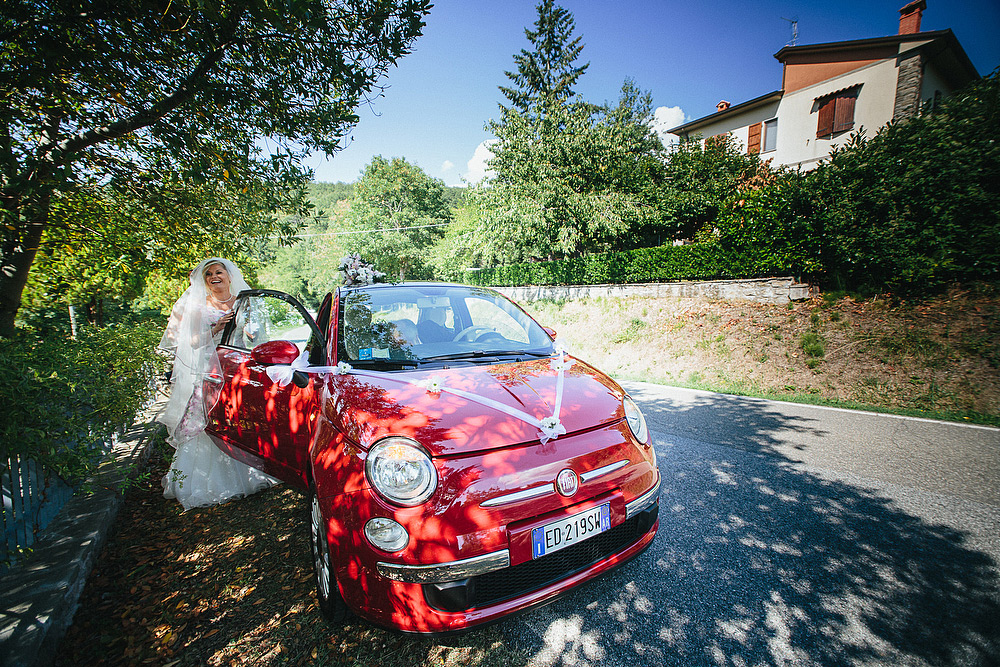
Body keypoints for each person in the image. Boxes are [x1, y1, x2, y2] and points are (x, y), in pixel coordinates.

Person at [158, 257, 278, 510]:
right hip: (208, 371)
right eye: (209, 274)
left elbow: (257, 336)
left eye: (219, 272)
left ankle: (250, 472)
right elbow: (190, 342)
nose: (214, 276)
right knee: (206, 421)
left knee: (240, 418)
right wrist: (215, 328)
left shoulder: (244, 301)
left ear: (229, 275)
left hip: (238, 368)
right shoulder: (198, 306)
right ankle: (204, 483)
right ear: (204, 281)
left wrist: (251, 333)